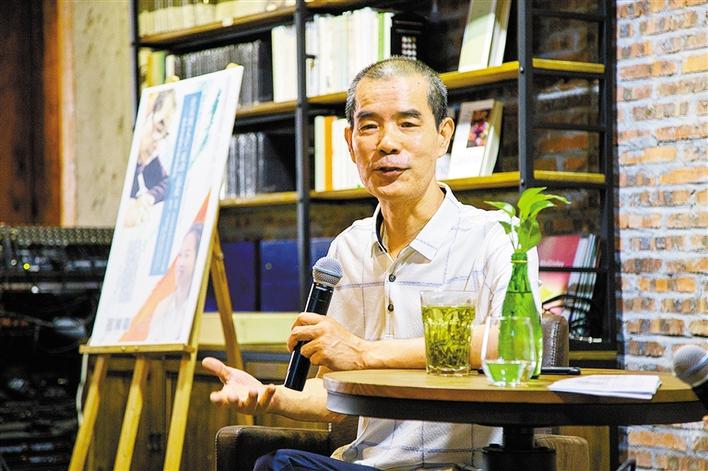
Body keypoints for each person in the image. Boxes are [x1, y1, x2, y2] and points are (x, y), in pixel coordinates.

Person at [202, 57, 540, 470]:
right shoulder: (347, 249)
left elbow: (512, 343)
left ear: (443, 136)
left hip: (458, 466)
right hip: (365, 465)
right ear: (350, 143)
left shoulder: (499, 237)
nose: (386, 143)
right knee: (277, 465)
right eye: (369, 126)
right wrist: (272, 396)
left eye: (407, 123)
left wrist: (365, 353)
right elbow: (336, 396)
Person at [125, 89, 177, 227]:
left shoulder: (148, 157)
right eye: (159, 128)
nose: (157, 142)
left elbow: (168, 183)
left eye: (164, 135)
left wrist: (149, 197)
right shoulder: (122, 154)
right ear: (147, 112)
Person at [146, 223, 203, 342]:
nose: (180, 262)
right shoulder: (162, 306)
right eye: (180, 255)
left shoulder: (198, 308)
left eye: (187, 255)